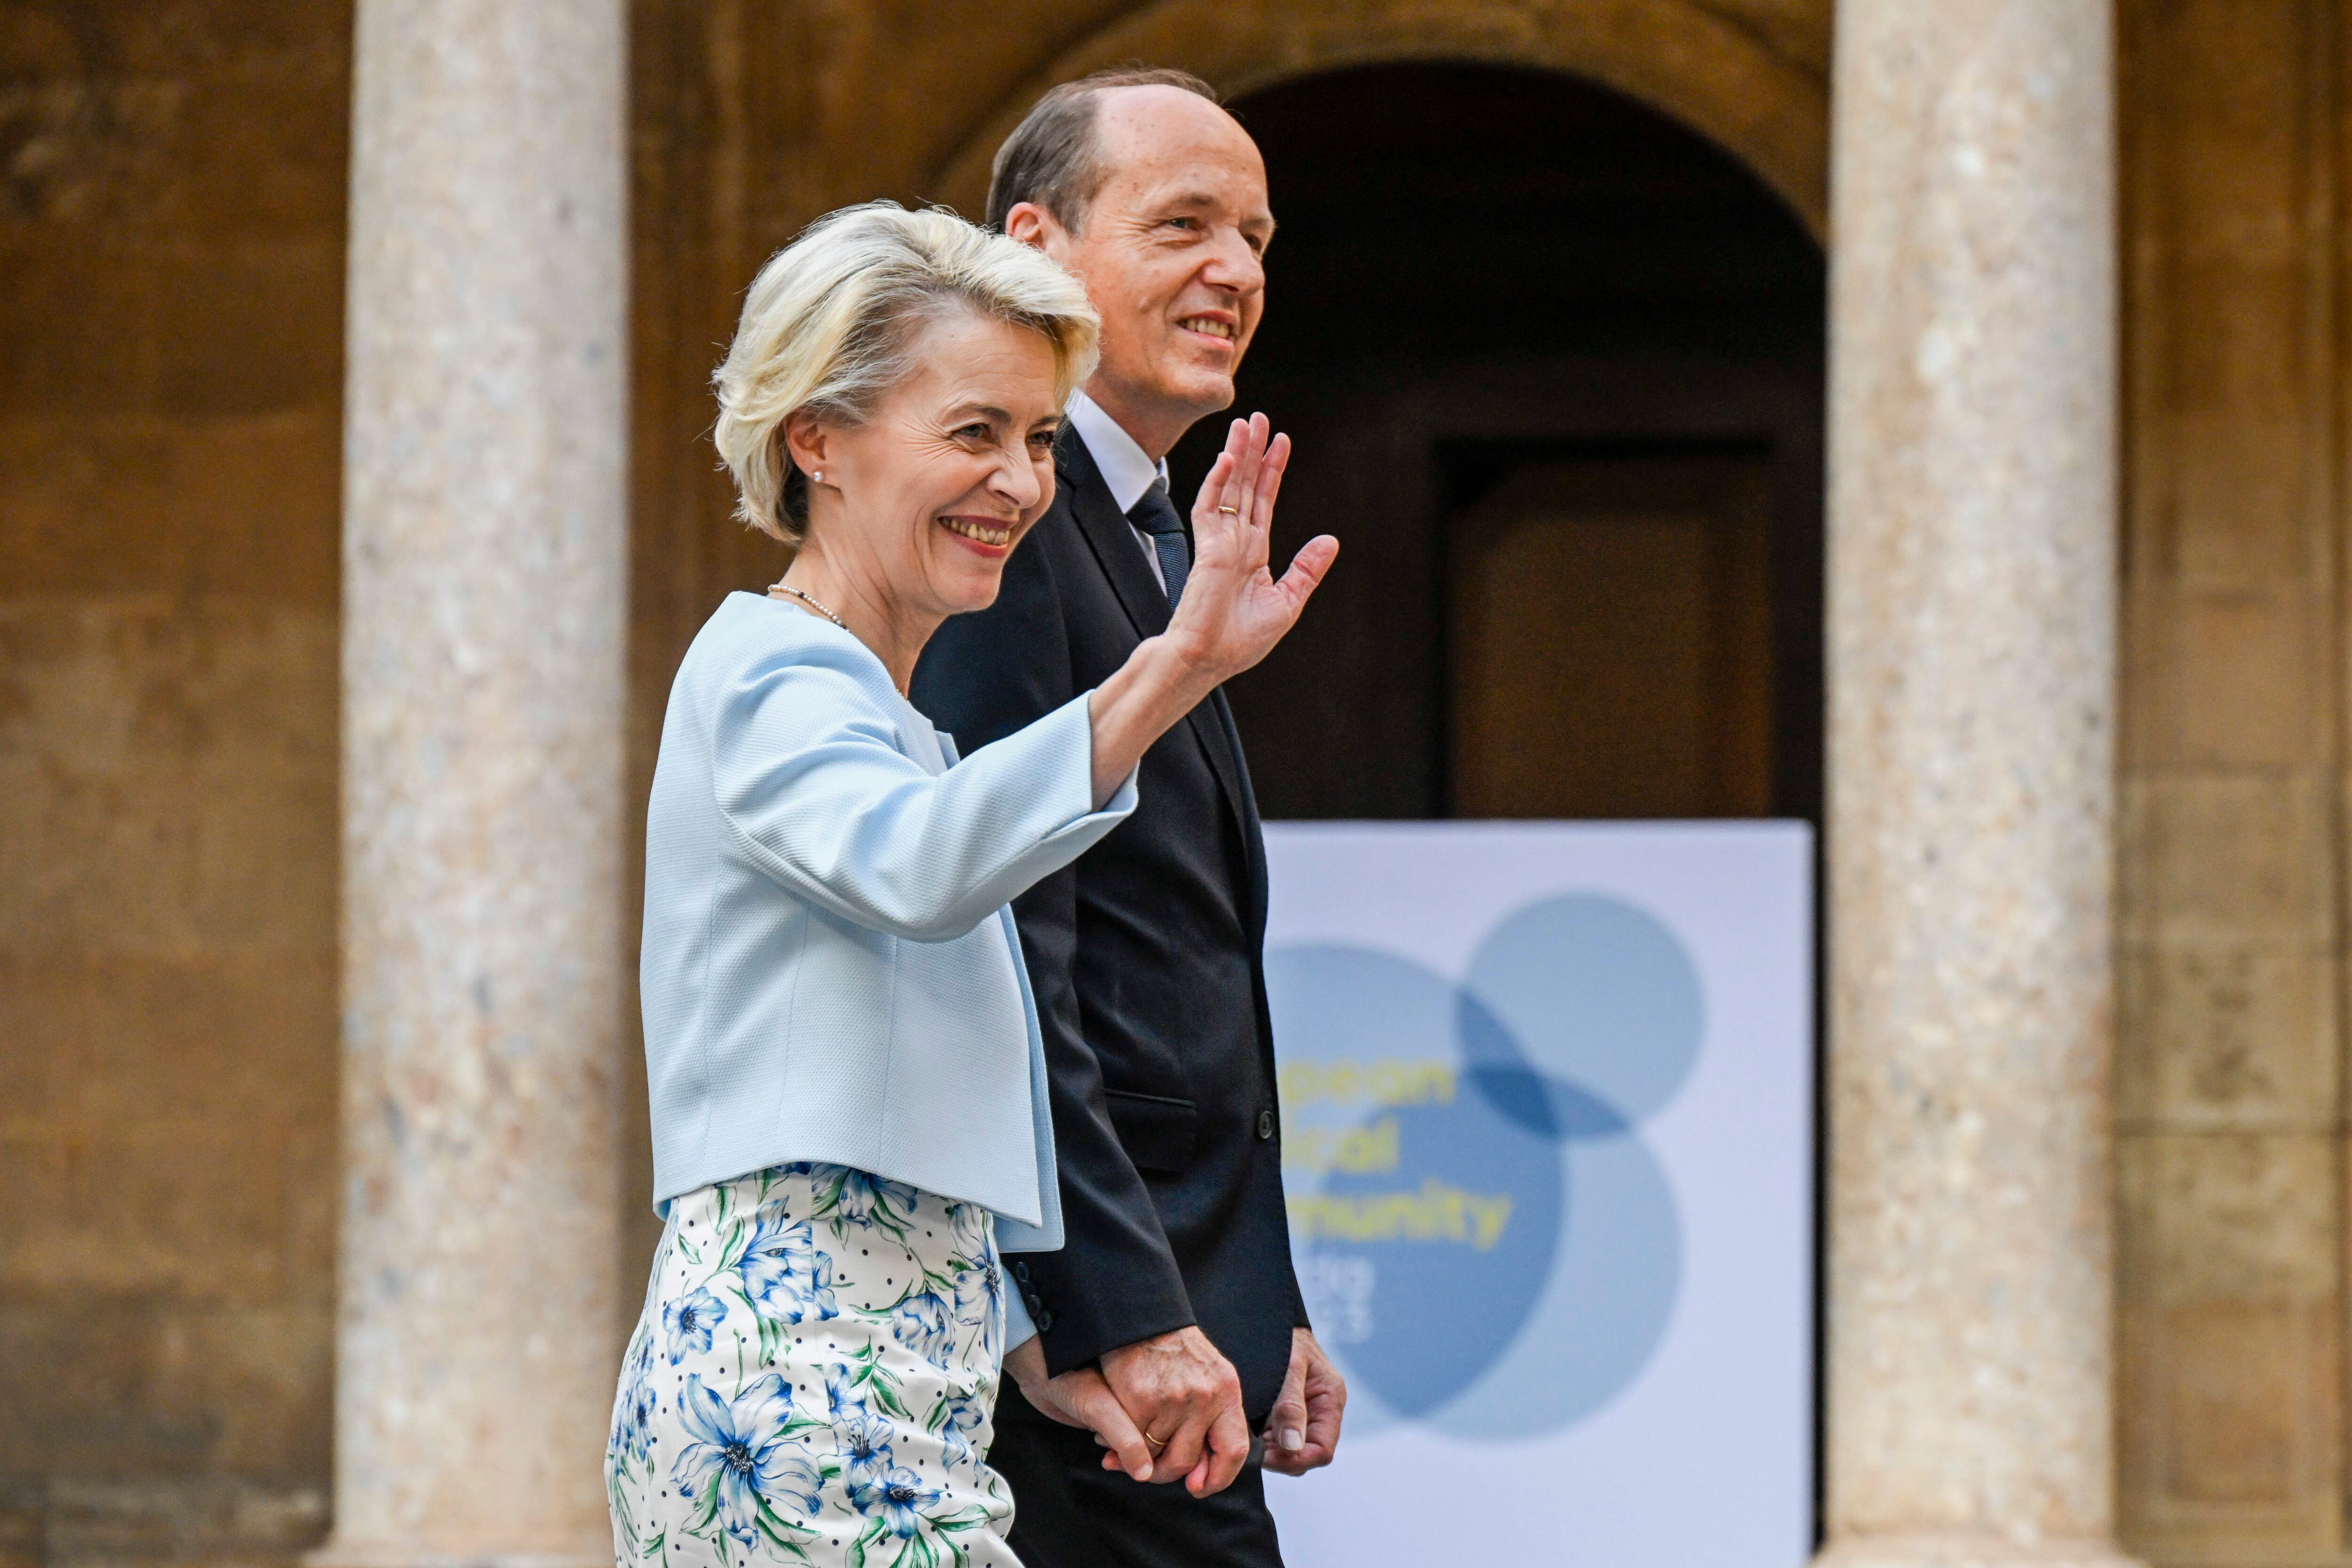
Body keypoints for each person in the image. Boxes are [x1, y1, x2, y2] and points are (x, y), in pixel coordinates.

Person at [607, 201, 1335, 1568]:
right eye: (972, 432)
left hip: (899, 1402)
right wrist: (1172, 668)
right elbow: (919, 867)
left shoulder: (897, 723)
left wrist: (1026, 1346)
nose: (1019, 482)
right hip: (795, 1404)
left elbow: (912, 1102)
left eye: (1039, 438)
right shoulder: (768, 671)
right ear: (814, 437)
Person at [909, 69, 1347, 1568]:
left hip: (1180, 1327)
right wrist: (1129, 1312)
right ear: (1036, 246)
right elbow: (1011, 959)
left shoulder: (1156, 535)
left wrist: (1256, 1292)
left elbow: (1176, 970)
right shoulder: (1007, 532)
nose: (1236, 272)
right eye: (1183, 226)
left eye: (1257, 238)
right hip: (1090, 1366)